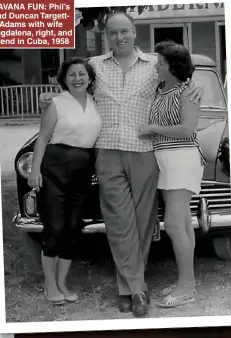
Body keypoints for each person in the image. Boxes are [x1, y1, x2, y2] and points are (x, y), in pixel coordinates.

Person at [38, 12, 203, 316]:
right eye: (113, 33)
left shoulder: (155, 64)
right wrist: (54, 98)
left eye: (124, 32)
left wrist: (193, 87)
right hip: (108, 152)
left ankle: (127, 287)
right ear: (106, 35)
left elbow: (180, 77)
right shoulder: (96, 66)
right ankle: (136, 288)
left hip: (145, 152)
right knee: (117, 221)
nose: (119, 38)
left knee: (142, 222)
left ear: (134, 32)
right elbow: (75, 87)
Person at [28, 58, 102, 305]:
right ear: (64, 79)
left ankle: (62, 283)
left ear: (90, 78)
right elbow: (42, 139)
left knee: (72, 228)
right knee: (55, 227)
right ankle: (50, 284)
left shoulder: (96, 103)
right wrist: (35, 170)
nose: (78, 78)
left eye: (82, 74)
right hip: (54, 169)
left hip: (82, 171)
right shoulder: (56, 103)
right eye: (72, 74)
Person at [139, 40, 206, 308]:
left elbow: (188, 129)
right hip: (164, 159)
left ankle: (186, 286)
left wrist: (152, 127)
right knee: (183, 223)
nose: (156, 65)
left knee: (175, 224)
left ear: (173, 66)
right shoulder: (159, 89)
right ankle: (187, 281)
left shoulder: (186, 92)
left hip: (182, 157)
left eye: (161, 62)